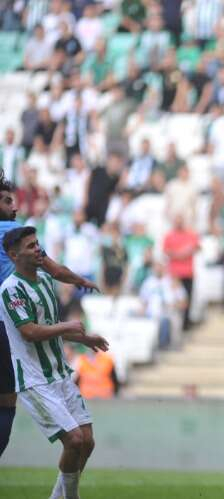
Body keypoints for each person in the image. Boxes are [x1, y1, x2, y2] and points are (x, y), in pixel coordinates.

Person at [0, 226, 108, 496]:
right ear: (13, 255)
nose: (37, 249)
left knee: (87, 442)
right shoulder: (10, 290)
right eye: (30, 246)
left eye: (37, 244)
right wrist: (68, 326)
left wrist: (85, 340)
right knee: (73, 440)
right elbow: (30, 332)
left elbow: (50, 326)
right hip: (34, 380)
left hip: (59, 374)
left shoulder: (47, 282)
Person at [0, 179, 99, 459]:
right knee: (6, 403)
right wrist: (81, 280)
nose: (15, 207)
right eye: (7, 201)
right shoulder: (12, 232)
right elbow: (52, 268)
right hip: (7, 327)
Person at [163, 215, 200, 331]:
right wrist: (182, 253)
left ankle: (186, 324)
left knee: (187, 299)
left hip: (188, 272)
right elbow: (166, 251)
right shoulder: (169, 236)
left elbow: (197, 247)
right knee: (174, 299)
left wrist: (182, 253)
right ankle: (175, 326)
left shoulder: (190, 234)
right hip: (175, 274)